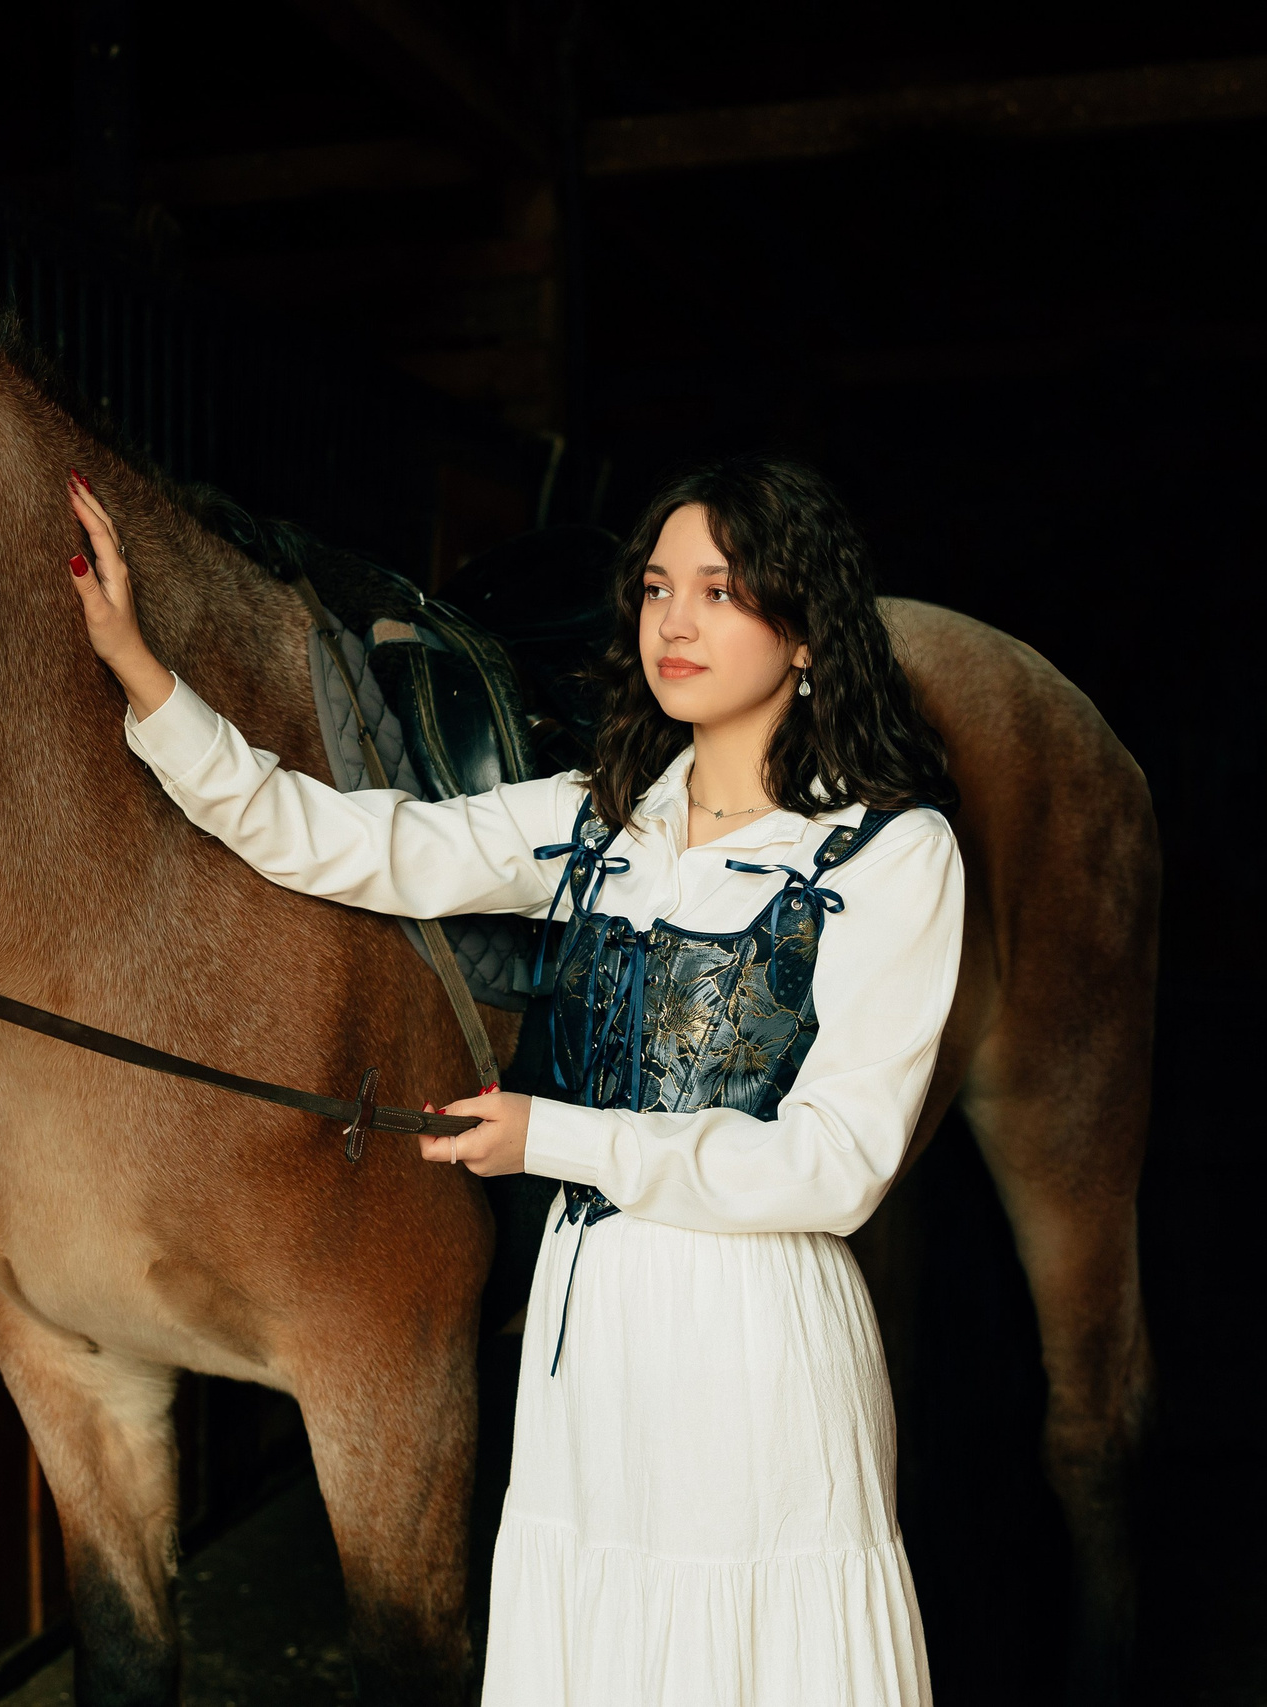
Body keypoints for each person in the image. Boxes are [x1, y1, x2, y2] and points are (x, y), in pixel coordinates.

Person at [65, 454, 962, 1706]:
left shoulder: (890, 855)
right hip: (587, 1335)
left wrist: (556, 1139)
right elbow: (346, 841)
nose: (675, 622)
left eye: (719, 591)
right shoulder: (596, 827)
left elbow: (836, 1165)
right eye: (657, 588)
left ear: (806, 630)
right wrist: (144, 676)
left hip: (753, 1338)